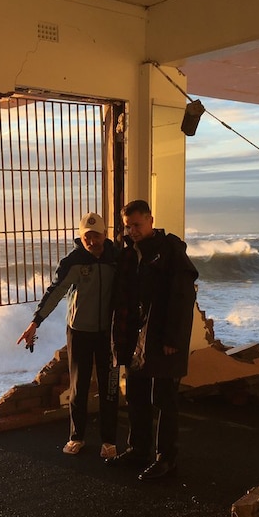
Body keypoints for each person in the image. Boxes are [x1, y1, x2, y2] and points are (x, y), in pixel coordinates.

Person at [106, 199, 198, 480]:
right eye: (128, 226)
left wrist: (173, 338)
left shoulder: (170, 251)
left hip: (163, 337)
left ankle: (166, 459)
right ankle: (138, 450)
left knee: (164, 399)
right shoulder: (129, 254)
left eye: (137, 224)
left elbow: (183, 298)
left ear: (150, 220)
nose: (132, 230)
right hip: (136, 337)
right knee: (136, 395)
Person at [17, 212, 119, 458]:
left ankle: (109, 441)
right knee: (79, 386)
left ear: (105, 235)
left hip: (110, 333)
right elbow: (55, 292)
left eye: (97, 236)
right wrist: (35, 323)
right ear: (81, 237)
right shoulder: (73, 261)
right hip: (79, 332)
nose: (92, 241)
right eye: (87, 236)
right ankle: (77, 437)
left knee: (109, 388)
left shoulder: (117, 259)